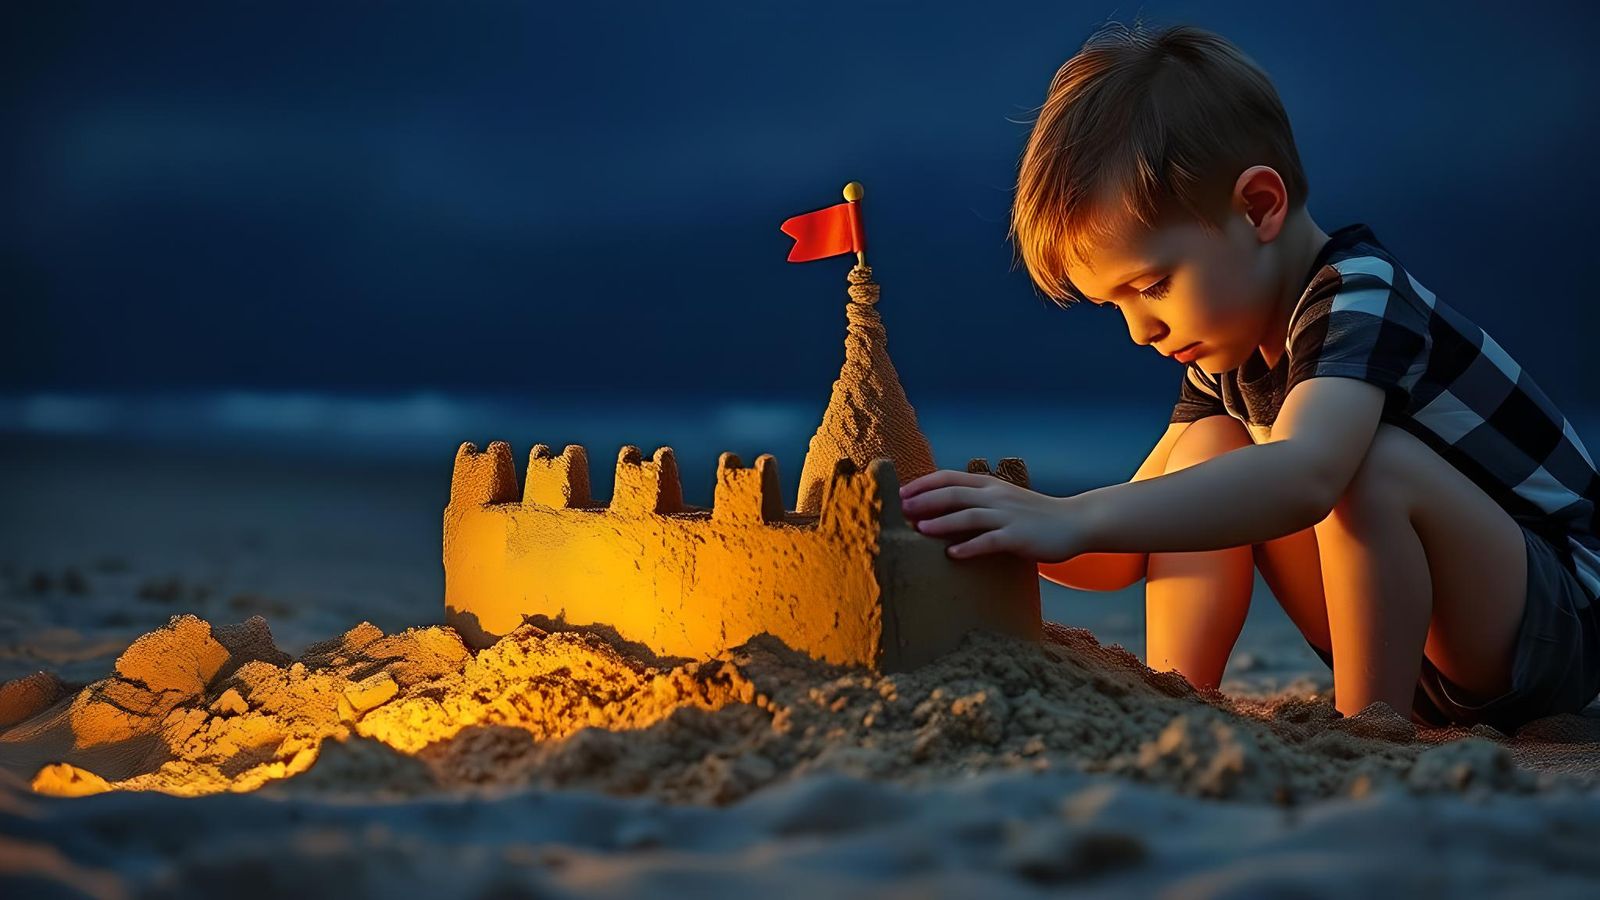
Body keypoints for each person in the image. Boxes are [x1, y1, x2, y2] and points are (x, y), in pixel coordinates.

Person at [899, 22, 1600, 732]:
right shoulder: (1226, 356)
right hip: (1422, 645)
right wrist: (1003, 526)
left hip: (1556, 626)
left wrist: (1071, 516)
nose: (1140, 329)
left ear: (1258, 207)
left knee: (1365, 463)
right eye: (1116, 304)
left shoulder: (1359, 294)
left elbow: (1306, 476)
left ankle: (1370, 726)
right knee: (1208, 455)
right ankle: (1175, 698)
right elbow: (1125, 547)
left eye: (1154, 284)